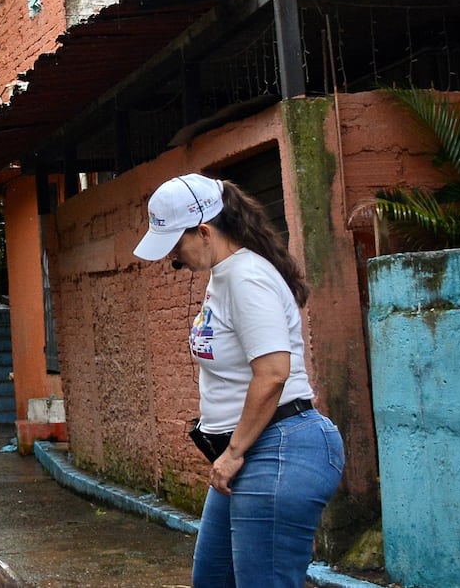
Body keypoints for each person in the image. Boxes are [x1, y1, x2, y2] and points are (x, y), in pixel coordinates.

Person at [133, 173, 345, 588]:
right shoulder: (224, 276)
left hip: (278, 447)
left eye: (177, 244)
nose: (173, 259)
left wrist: (231, 453)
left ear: (205, 230)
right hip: (253, 450)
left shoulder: (247, 278)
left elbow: (273, 374)